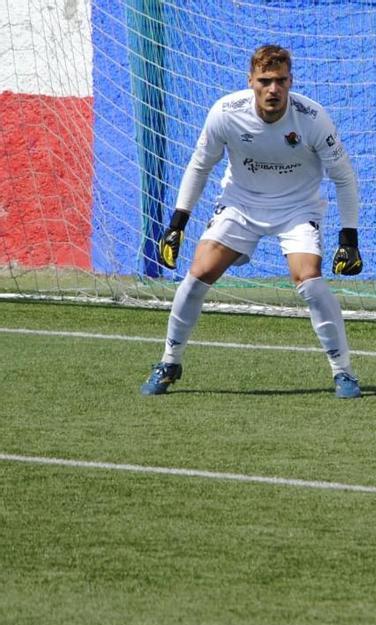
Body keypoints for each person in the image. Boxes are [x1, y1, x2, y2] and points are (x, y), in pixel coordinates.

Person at [140, 44, 364, 398]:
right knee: (198, 274)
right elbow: (200, 166)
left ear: (290, 82)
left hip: (297, 208)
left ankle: (343, 372)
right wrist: (177, 223)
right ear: (251, 81)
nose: (272, 89)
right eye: (264, 81)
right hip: (240, 205)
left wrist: (348, 238)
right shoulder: (226, 113)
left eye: (280, 81)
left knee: (308, 279)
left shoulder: (313, 118)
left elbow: (345, 178)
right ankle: (169, 361)